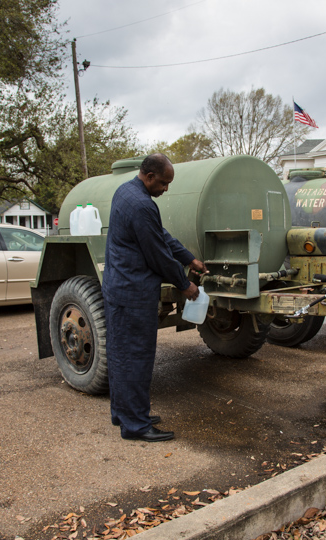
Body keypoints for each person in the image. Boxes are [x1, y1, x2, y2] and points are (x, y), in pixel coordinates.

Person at [103, 154, 209, 442]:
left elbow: (158, 234)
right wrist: (184, 283)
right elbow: (157, 254)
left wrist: (189, 257)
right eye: (163, 183)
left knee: (120, 354)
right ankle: (135, 425)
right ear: (149, 176)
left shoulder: (126, 191)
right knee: (136, 357)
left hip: (119, 288)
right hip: (133, 292)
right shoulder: (141, 205)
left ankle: (123, 413)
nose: (166, 189)